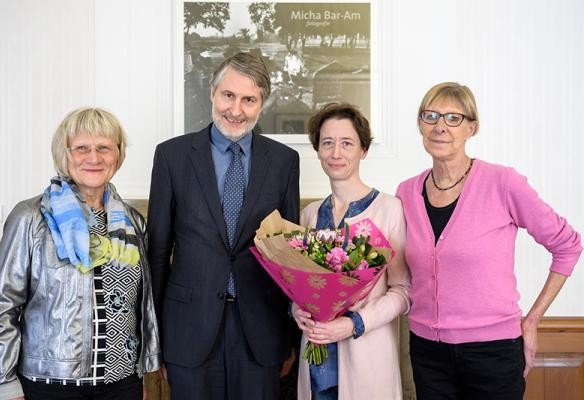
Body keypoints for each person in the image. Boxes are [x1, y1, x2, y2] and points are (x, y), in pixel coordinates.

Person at [396, 82, 582, 399]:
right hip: (428, 354)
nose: (440, 126)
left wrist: (532, 320)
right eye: (431, 116)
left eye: (453, 118)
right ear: (420, 124)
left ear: (472, 127)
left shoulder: (502, 183)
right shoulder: (406, 193)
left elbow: (568, 245)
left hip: (493, 353)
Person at [147, 52, 300, 400]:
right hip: (188, 330)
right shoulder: (171, 156)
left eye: (249, 99)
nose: (236, 109)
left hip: (260, 330)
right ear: (212, 93)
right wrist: (154, 340)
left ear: (262, 103)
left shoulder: (283, 162)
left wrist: (290, 336)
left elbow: (290, 256)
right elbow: (157, 253)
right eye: (228, 95)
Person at [0, 108, 162, 400]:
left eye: (104, 147)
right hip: (50, 385)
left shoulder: (132, 221)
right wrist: (4, 384)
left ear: (117, 155)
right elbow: (3, 306)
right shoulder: (31, 217)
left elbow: (140, 307)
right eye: (82, 148)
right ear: (64, 155)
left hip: (122, 384)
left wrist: (139, 375)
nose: (94, 158)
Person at [291, 103, 411, 400]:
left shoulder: (389, 209)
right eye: (327, 143)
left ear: (364, 150)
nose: (336, 153)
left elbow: (402, 292)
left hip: (367, 357)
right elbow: (301, 289)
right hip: (316, 357)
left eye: (347, 143)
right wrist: (297, 310)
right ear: (317, 149)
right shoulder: (309, 215)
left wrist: (354, 324)